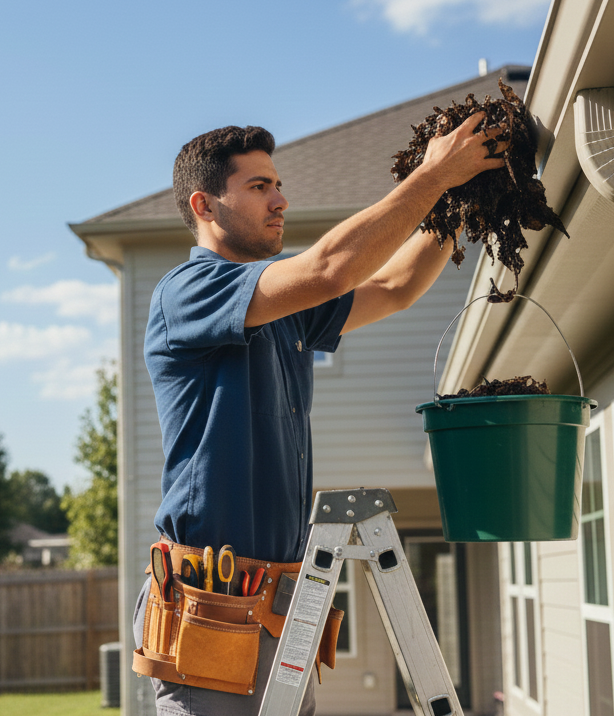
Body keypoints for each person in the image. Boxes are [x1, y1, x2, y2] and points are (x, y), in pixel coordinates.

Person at [134, 115, 505, 716]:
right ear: (205, 204)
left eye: (276, 184)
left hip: (280, 606)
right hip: (212, 607)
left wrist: (456, 202)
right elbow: (332, 267)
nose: (280, 200)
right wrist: (433, 174)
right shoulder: (189, 290)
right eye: (259, 187)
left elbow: (395, 287)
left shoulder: (284, 309)